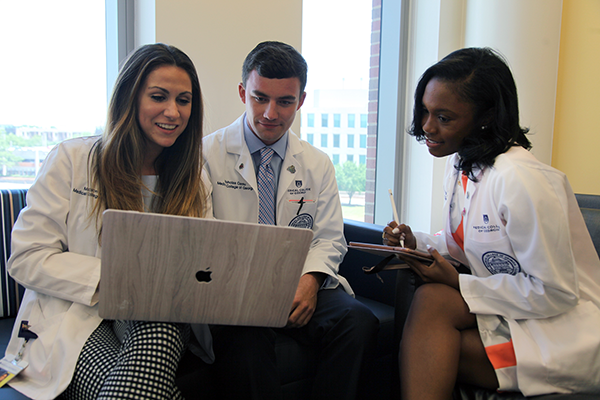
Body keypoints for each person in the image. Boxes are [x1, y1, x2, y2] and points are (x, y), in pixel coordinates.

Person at [383, 47, 600, 399]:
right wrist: (417, 243)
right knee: (433, 300)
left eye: (444, 117)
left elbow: (556, 292)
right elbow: (466, 245)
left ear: (484, 118)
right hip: (516, 317)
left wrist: (457, 281)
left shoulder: (521, 179)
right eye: (425, 110)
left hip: (564, 333)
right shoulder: (462, 166)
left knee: (433, 326)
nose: (427, 126)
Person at [4, 43, 212, 400]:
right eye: (159, 96)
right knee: (141, 389)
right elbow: (27, 257)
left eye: (184, 100)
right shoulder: (72, 159)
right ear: (129, 98)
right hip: (78, 313)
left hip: (163, 316)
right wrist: (120, 282)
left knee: (158, 323)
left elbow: (203, 263)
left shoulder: (195, 180)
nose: (173, 111)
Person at [202, 41, 379, 400]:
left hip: (296, 279)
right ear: (242, 93)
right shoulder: (207, 154)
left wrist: (310, 281)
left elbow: (329, 237)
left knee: (359, 323)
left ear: (300, 100)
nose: (270, 113)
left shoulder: (316, 162)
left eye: (285, 101)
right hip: (234, 289)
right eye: (259, 98)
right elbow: (203, 236)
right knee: (246, 339)